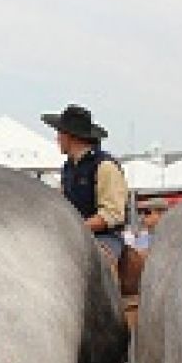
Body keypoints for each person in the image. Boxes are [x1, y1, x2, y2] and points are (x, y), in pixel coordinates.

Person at [42, 104, 128, 260]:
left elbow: (113, 214)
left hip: (104, 237)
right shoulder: (67, 168)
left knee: (104, 263)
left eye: (60, 133)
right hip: (74, 234)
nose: (57, 138)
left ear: (70, 136)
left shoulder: (105, 166)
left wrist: (77, 227)